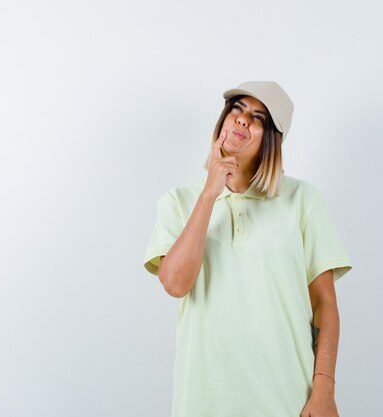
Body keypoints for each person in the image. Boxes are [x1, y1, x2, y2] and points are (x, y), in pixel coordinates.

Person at [142, 81, 353, 417]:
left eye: (258, 117)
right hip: (203, 401)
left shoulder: (303, 202)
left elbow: (325, 304)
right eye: (237, 109)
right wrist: (210, 193)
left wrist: (324, 388)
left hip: (288, 399)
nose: (242, 119)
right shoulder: (179, 202)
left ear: (272, 140)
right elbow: (175, 283)